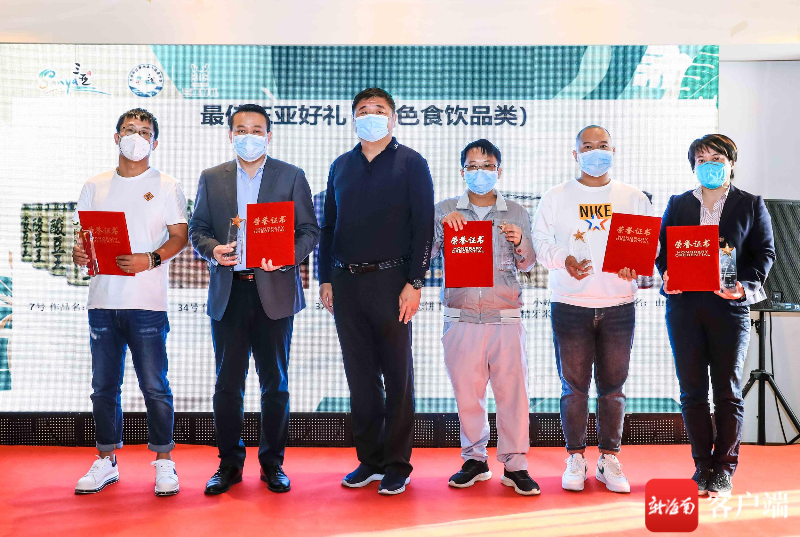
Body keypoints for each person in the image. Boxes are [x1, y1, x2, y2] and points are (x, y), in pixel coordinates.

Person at [189, 104, 320, 495]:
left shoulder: (291, 176)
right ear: (230, 135)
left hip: (274, 291)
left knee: (274, 384)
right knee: (227, 385)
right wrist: (212, 250)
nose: (249, 137)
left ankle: (272, 463)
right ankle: (229, 464)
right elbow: (197, 229)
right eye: (242, 130)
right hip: (229, 291)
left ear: (269, 135)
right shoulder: (212, 177)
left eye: (257, 130)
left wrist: (287, 255)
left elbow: (309, 231)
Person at [318, 87, 434, 495]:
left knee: (397, 376)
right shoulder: (341, 165)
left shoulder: (411, 163)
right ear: (353, 119)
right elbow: (328, 226)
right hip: (346, 283)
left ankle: (397, 464)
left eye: (379, 109)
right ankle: (369, 460)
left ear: (393, 118)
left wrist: (415, 282)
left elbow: (423, 227)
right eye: (363, 110)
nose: (371, 115)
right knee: (360, 376)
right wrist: (325, 278)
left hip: (393, 282)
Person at [72, 108, 188, 496]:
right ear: (116, 136)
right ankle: (106, 459)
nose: (135, 137)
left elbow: (179, 236)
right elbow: (86, 239)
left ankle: (164, 461)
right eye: (128, 129)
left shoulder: (167, 185)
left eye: (144, 132)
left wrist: (150, 259)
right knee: (104, 386)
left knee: (155, 386)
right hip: (103, 300)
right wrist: (80, 253)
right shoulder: (94, 185)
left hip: (147, 303)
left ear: (155, 142)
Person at [532, 125, 652, 494]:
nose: (595, 152)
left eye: (602, 146)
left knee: (613, 388)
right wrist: (563, 259)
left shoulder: (633, 197)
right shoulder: (555, 196)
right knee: (574, 387)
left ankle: (608, 458)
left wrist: (638, 266)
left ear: (613, 151)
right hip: (570, 305)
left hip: (618, 306)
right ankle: (575, 457)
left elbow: (650, 249)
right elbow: (540, 242)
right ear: (575, 154)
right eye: (587, 146)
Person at [656, 134, 774, 498]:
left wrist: (743, 287)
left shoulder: (750, 203)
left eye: (717, 158)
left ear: (731, 163)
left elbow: (765, 254)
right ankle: (702, 466)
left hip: (730, 309)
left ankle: (724, 468)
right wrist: (667, 275)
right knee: (692, 392)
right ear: (693, 167)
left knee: (727, 392)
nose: (709, 165)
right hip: (685, 310)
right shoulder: (678, 203)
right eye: (701, 160)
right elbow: (664, 252)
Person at [432, 139, 540, 496]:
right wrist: (441, 228)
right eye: (473, 167)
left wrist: (520, 240)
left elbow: (528, 264)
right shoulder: (445, 210)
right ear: (462, 171)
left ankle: (515, 464)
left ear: (499, 170)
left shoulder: (517, 212)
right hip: (460, 316)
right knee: (467, 394)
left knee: (513, 395)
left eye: (488, 166)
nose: (481, 173)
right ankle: (474, 460)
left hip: (505, 317)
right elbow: (425, 256)